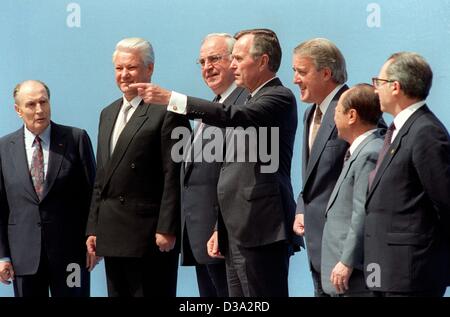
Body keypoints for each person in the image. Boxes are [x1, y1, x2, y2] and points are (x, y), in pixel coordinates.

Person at [130, 28, 301, 297]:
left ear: (263, 61)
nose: (233, 65)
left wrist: (173, 100)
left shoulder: (277, 97)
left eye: (237, 58)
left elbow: (232, 115)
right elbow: (229, 173)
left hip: (261, 228)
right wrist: (219, 227)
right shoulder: (245, 101)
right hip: (234, 231)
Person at [85, 37, 190, 297]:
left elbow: (174, 174)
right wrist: (94, 227)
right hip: (112, 234)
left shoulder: (168, 110)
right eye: (119, 68)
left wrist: (168, 227)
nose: (124, 75)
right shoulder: (107, 113)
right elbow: (102, 177)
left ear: (149, 69)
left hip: (149, 236)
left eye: (131, 67)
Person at [0, 80, 97, 297]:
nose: (39, 110)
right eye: (31, 104)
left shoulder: (76, 139)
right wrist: (2, 256)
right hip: (23, 257)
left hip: (71, 255)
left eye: (44, 102)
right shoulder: (4, 148)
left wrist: (94, 237)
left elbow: (93, 194)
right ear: (18, 110)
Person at [364, 52, 450, 297]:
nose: (374, 90)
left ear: (395, 87)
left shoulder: (426, 132)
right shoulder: (400, 130)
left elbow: (444, 202)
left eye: (378, 83)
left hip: (412, 274)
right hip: (388, 272)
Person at [180, 33, 248, 297]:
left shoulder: (245, 104)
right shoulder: (210, 109)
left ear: (234, 61)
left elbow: (239, 176)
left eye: (214, 59)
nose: (207, 67)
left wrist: (220, 228)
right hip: (202, 240)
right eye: (202, 61)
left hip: (226, 237)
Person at [291, 38, 350, 297]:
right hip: (317, 246)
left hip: (343, 252)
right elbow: (313, 177)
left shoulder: (352, 109)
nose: (295, 79)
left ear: (326, 73)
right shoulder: (310, 113)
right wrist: (303, 207)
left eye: (301, 72)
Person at [320, 84, 383, 296]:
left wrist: (347, 260)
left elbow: (362, 211)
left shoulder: (369, 153)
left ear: (352, 116)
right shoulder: (360, 151)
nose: (333, 118)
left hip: (354, 274)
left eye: (337, 112)